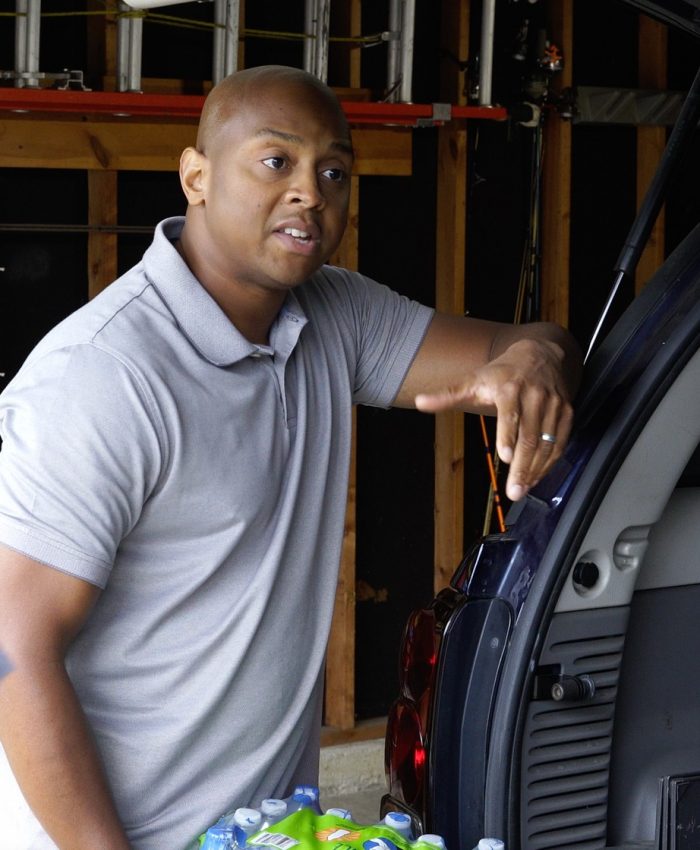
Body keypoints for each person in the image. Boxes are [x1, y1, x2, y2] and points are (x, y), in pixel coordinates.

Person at [0, 65, 581, 850]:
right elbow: (14, 654)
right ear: (196, 177)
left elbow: (525, 345)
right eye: (277, 161)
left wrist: (536, 364)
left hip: (265, 832)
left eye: (333, 170)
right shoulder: (103, 376)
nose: (311, 191)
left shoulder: (334, 316)